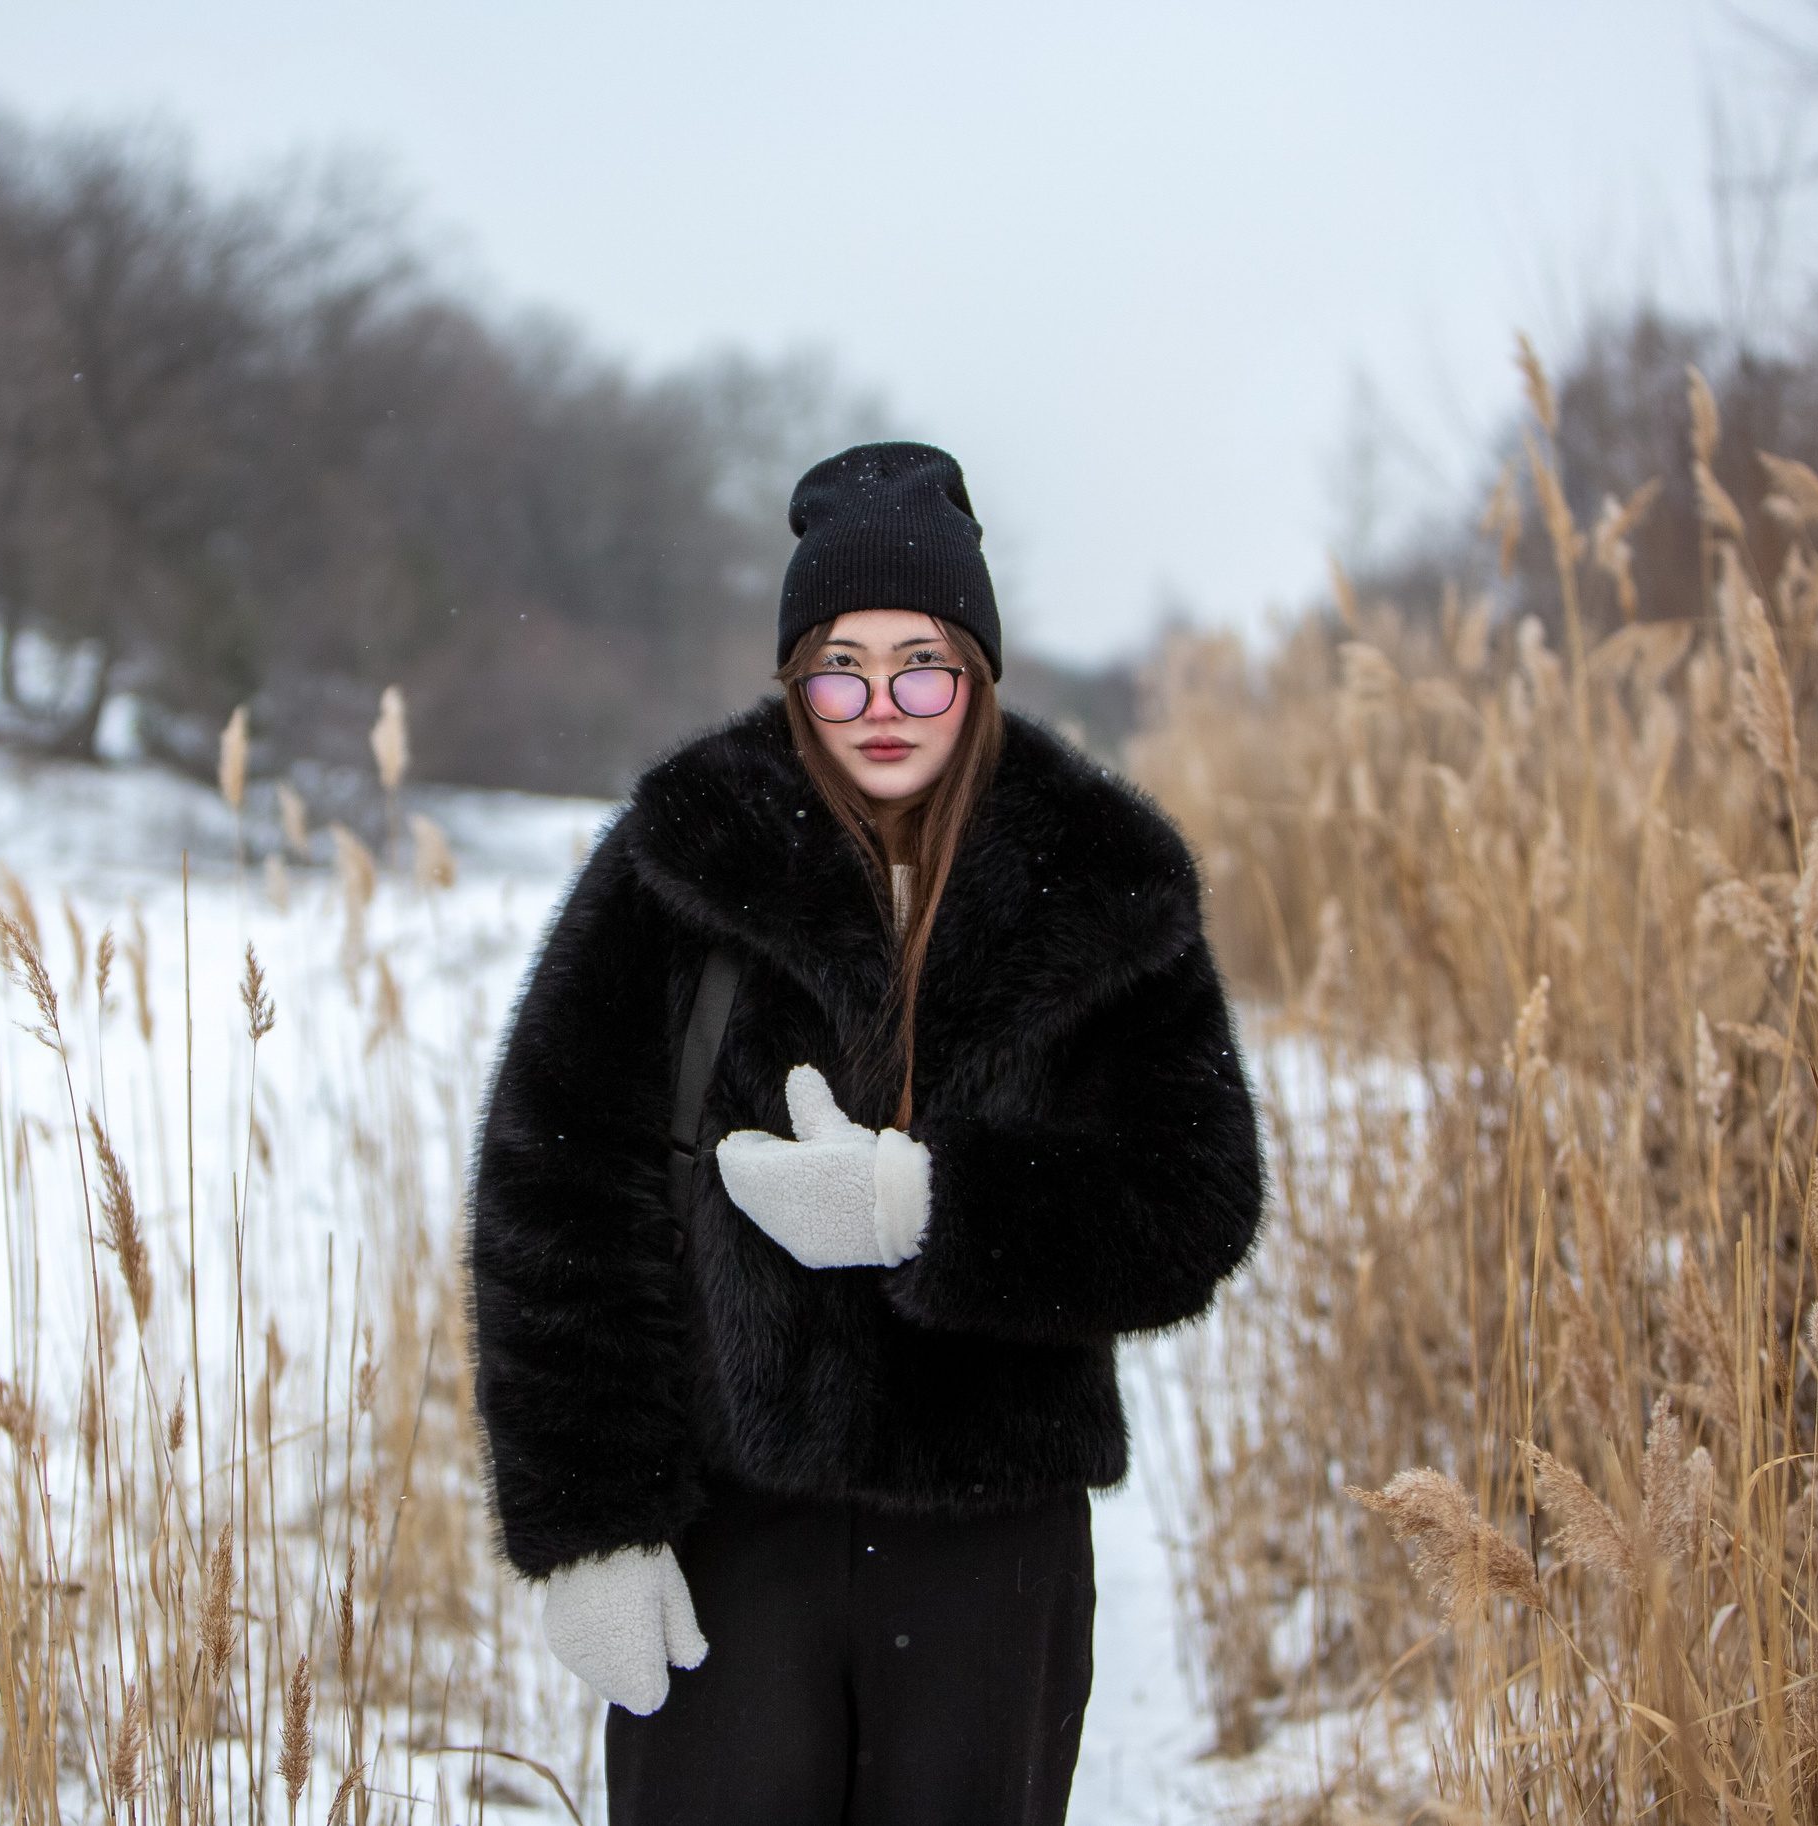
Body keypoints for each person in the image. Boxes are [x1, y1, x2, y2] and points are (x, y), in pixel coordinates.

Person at [468, 441, 1264, 1825]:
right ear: (793, 674)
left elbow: (1193, 1203)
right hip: (730, 1530)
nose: (882, 705)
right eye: (841, 664)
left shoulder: (1102, 880)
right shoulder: (680, 858)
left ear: (979, 669)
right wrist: (588, 1526)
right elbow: (555, 1193)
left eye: (924, 664)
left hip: (990, 1538)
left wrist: (931, 1209)